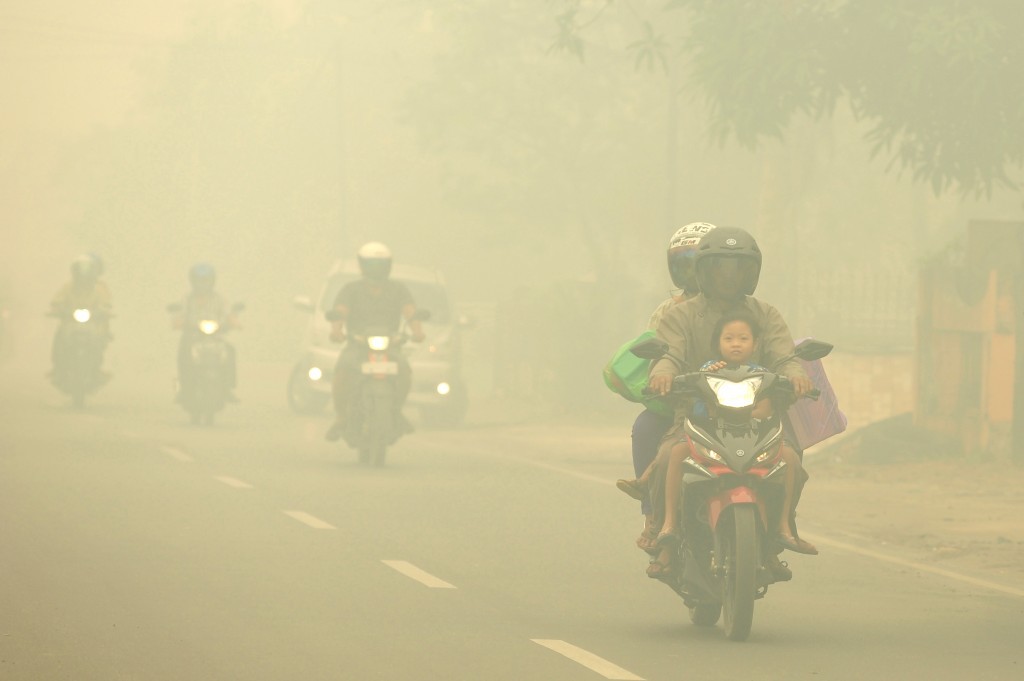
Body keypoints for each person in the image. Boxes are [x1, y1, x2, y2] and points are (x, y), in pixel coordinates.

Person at [644, 226, 815, 581]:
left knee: (792, 463)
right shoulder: (681, 315)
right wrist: (662, 373)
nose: (728, 275)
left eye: (736, 268)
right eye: (720, 267)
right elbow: (669, 354)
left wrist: (797, 374)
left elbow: (786, 357)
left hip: (760, 418)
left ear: (750, 273)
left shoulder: (766, 314)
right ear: (704, 271)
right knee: (664, 459)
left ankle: (775, 540)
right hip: (696, 417)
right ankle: (663, 535)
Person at [612, 222, 718, 554]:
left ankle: (779, 520)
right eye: (682, 264)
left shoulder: (744, 307)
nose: (691, 273)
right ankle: (653, 517)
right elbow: (659, 354)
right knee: (645, 427)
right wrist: (663, 377)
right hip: (682, 400)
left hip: (734, 402)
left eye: (697, 263)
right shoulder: (667, 311)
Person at [324, 242, 425, 443]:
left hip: (391, 345)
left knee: (404, 370)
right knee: (342, 370)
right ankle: (341, 416)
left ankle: (396, 410)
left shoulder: (398, 289)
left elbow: (410, 311)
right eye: (372, 265)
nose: (377, 270)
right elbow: (341, 311)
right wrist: (336, 330)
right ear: (362, 266)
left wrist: (417, 330)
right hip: (357, 344)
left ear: (388, 266)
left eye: (381, 265)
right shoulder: (351, 289)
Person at [170, 263, 239, 402]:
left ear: (212, 281)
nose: (203, 284)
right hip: (192, 337)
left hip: (216, 337)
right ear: (193, 281)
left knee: (230, 351)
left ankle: (227, 388)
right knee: (183, 353)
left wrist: (233, 322)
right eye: (199, 281)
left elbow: (228, 314)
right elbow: (179, 315)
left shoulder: (219, 299)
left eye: (206, 281)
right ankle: (183, 389)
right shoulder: (187, 299)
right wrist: (179, 323)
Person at [49, 254, 112, 383]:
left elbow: (106, 303)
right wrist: (58, 308)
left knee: (98, 341)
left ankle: (96, 368)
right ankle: (58, 367)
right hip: (69, 323)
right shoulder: (68, 287)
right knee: (59, 337)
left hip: (92, 324)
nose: (84, 275)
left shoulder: (98, 289)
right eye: (81, 270)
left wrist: (103, 310)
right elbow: (57, 300)